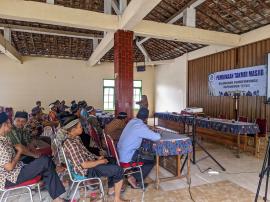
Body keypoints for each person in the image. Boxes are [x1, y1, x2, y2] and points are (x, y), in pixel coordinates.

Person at [0, 112, 65, 201]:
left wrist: (26, 152)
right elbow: (10, 167)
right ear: (4, 125)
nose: (10, 125)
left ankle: (57, 198)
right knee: (45, 161)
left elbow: (28, 144)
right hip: (10, 178)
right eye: (9, 123)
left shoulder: (4, 139)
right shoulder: (1, 143)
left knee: (45, 162)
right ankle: (56, 195)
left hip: (17, 170)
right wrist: (20, 152)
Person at [62, 116, 129, 202]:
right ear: (73, 130)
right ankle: (117, 199)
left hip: (89, 164)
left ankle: (111, 188)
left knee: (112, 160)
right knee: (119, 170)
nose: (82, 127)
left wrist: (97, 158)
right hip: (86, 170)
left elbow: (86, 153)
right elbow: (84, 165)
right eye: (80, 126)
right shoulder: (71, 144)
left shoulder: (76, 138)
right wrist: (99, 161)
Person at [117, 107, 160, 188]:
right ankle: (135, 179)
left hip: (120, 152)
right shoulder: (140, 127)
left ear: (137, 114)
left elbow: (141, 128)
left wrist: (147, 128)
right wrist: (158, 133)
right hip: (127, 156)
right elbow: (156, 137)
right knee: (151, 159)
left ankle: (131, 174)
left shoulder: (132, 121)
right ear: (146, 118)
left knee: (143, 151)